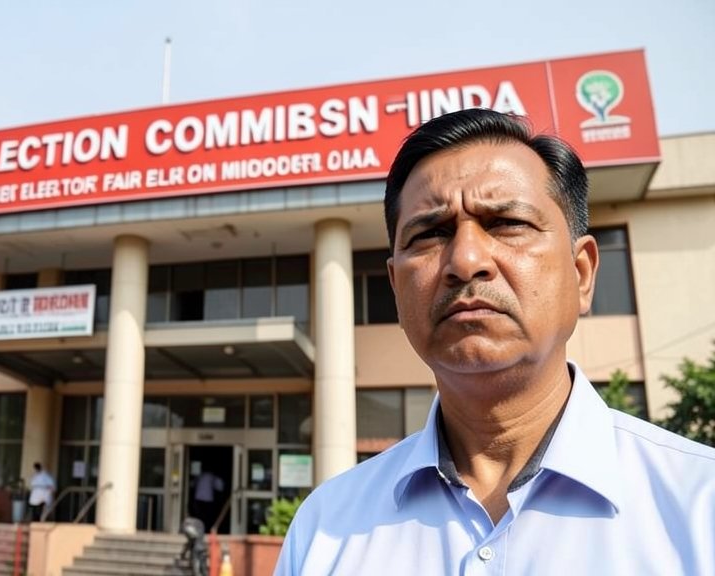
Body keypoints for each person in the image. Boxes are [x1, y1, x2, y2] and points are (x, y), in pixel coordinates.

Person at [275, 109, 715, 575]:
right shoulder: (326, 528)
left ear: (582, 273)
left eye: (507, 223)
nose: (465, 261)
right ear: (397, 289)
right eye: (430, 233)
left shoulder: (699, 504)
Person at [191, 467, 224, 532]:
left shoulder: (199, 476)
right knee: (207, 517)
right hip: (208, 500)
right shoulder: (212, 476)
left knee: (199, 516)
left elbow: (192, 484)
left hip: (198, 499)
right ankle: (206, 530)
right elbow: (220, 487)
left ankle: (199, 530)